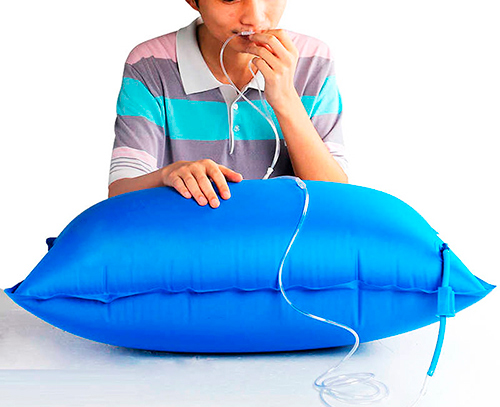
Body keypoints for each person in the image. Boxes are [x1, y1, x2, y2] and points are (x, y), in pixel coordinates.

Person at [108, 0, 348, 209]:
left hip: (285, 243)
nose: (255, 18)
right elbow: (118, 198)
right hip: (186, 242)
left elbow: (337, 201)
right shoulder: (150, 63)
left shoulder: (313, 59)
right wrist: (167, 176)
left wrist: (285, 98)